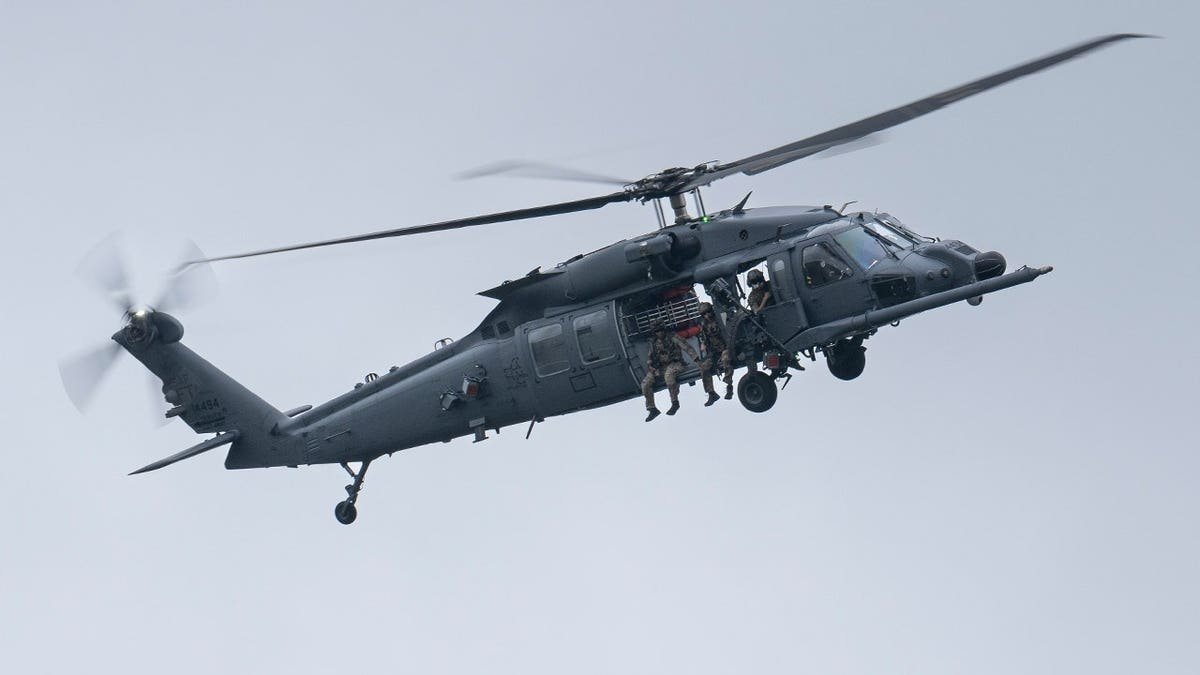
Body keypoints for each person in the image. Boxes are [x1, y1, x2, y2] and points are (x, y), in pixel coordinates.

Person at [641, 320, 699, 421]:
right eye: (656, 331)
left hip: (677, 364)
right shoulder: (653, 342)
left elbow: (687, 347)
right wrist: (650, 365)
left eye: (660, 330)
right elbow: (650, 357)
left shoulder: (673, 337)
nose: (659, 333)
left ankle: (675, 403)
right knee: (645, 383)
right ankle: (652, 409)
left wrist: (697, 360)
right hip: (661, 367)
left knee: (669, 376)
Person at [696, 302, 733, 404]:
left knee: (725, 359)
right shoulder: (704, 324)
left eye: (708, 312)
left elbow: (730, 330)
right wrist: (703, 344)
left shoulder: (721, 318)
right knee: (704, 367)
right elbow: (703, 337)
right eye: (704, 314)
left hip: (727, 348)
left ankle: (729, 386)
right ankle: (711, 393)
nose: (706, 315)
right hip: (714, 352)